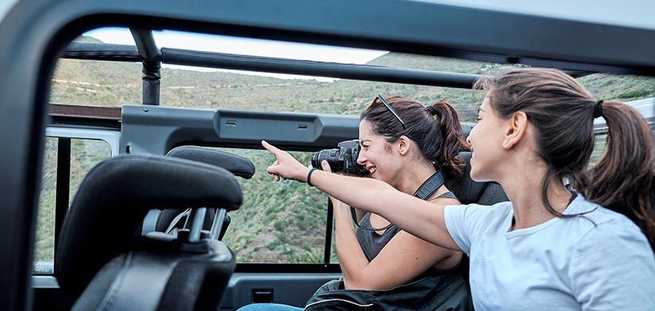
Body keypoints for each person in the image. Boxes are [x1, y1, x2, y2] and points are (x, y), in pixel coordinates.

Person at [262, 68, 655, 310]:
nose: (469, 137)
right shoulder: (488, 225)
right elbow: (384, 199)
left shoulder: (604, 243)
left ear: (514, 129)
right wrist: (307, 174)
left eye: (480, 119)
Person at [238, 96, 472, 311]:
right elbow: (367, 247)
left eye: (367, 146)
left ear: (402, 145)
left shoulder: (441, 216)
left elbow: (360, 284)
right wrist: (353, 191)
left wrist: (339, 201)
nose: (360, 158)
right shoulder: (391, 196)